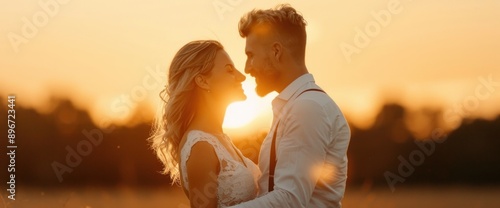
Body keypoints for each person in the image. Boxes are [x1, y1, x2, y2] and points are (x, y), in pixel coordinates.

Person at [229, 4, 351, 208]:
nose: (247, 68)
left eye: (251, 55)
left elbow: (290, 200)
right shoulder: (296, 105)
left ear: (276, 52)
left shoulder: (307, 108)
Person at [149, 40, 261, 207]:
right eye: (229, 70)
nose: (242, 76)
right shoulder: (200, 145)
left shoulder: (219, 138)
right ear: (203, 81)